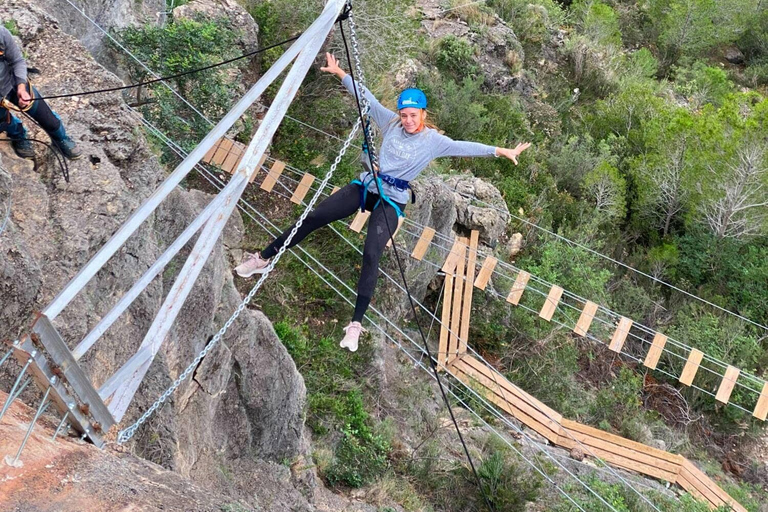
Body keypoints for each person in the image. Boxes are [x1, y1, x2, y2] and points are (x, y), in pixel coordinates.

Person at [235, 53, 531, 351]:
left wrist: (500, 151)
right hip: (367, 187)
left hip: (393, 200)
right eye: (404, 115)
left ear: (423, 114)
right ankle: (263, 258)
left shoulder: (432, 141)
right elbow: (367, 98)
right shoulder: (390, 123)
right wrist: (340, 72)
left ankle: (355, 324)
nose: (408, 120)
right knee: (315, 216)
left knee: (372, 252)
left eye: (413, 115)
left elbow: (463, 147)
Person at [0, 24, 81, 160]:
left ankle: (61, 138)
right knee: (4, 122)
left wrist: (21, 88)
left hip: (13, 83)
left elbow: (17, 61)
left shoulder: (1, 33)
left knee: (47, 118)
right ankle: (19, 136)